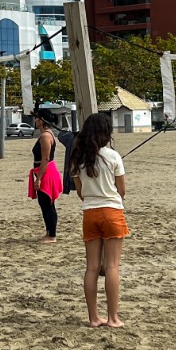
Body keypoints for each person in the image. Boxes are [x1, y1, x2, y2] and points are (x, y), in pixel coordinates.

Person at [69, 112, 127, 329]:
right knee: (111, 266)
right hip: (112, 211)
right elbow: (122, 190)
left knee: (92, 267)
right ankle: (113, 318)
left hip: (90, 213)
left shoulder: (77, 158)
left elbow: (80, 192)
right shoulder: (113, 156)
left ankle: (93, 317)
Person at [29, 107, 63, 242]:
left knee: (47, 203)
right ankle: (49, 232)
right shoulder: (45, 134)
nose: (35, 120)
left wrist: (39, 178)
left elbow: (45, 158)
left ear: (42, 120)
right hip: (43, 170)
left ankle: (52, 235)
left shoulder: (45, 136)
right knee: (44, 203)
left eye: (37, 118)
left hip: (46, 172)